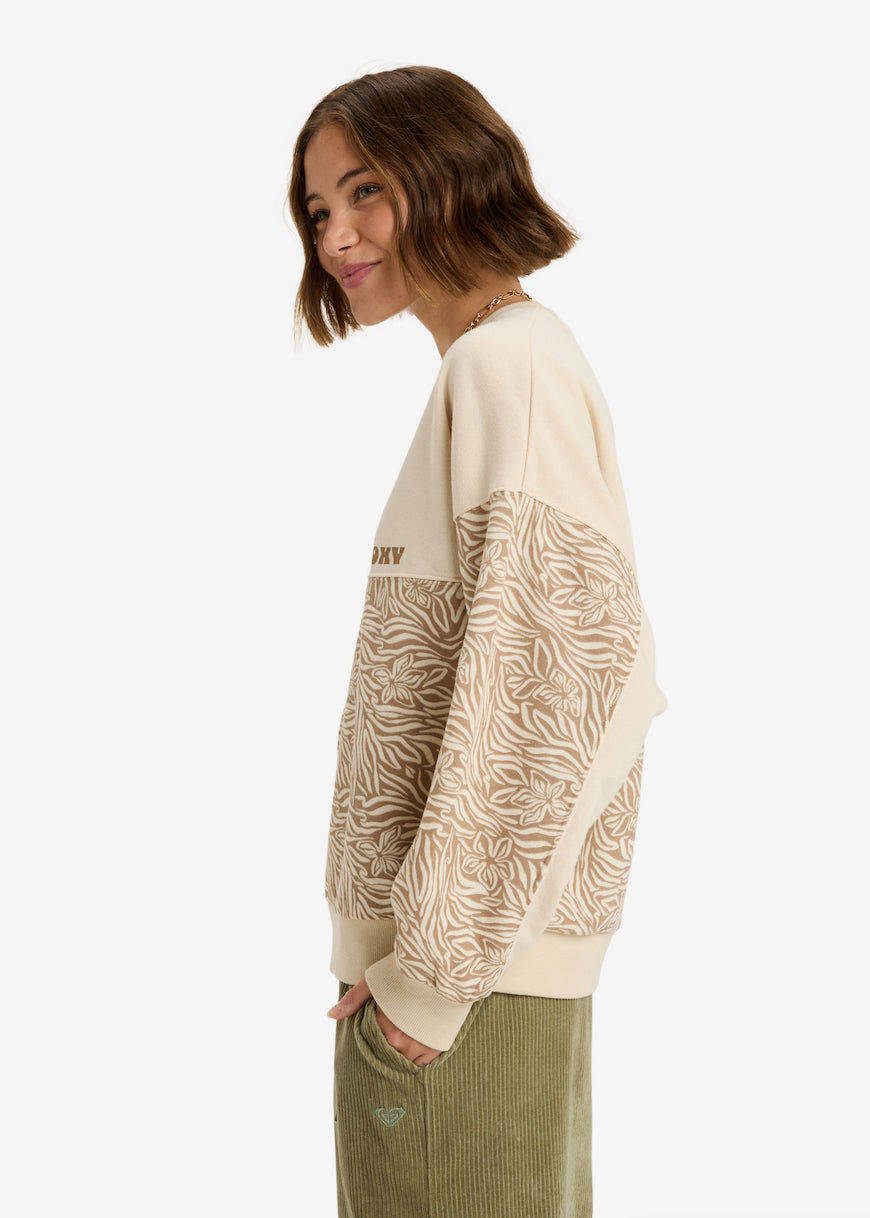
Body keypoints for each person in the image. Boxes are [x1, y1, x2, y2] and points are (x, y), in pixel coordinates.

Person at [287, 65, 667, 1218]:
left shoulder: (511, 367)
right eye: (317, 208)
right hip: (453, 984)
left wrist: (432, 978)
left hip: (459, 996)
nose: (336, 236)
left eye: (366, 191)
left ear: (449, 174)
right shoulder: (495, 365)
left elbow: (570, 681)